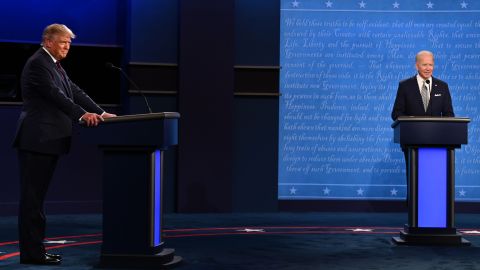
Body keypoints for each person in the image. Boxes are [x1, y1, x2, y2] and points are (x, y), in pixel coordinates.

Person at [12, 24, 116, 265]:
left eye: (69, 43)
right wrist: (82, 115)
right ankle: (32, 254)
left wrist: (100, 112)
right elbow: (54, 95)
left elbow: (74, 91)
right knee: (32, 201)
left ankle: (34, 251)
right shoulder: (39, 63)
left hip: (47, 140)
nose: (67, 47)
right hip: (37, 139)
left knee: (36, 200)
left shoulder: (54, 64)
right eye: (63, 42)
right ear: (48, 42)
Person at [391, 50, 454, 120]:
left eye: (430, 65)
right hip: (412, 130)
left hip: (436, 130)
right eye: (424, 65)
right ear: (417, 66)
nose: (428, 68)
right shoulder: (405, 86)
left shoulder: (442, 86)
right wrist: (411, 121)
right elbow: (396, 114)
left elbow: (449, 115)